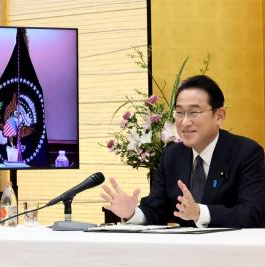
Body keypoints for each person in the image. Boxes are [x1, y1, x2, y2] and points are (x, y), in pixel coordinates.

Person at [101, 75, 265, 228]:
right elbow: (156, 210)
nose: (185, 122)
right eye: (179, 113)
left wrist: (200, 213)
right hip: (182, 253)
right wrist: (132, 213)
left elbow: (253, 213)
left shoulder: (246, 153)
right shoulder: (171, 156)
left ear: (219, 116)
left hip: (231, 253)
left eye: (194, 112)